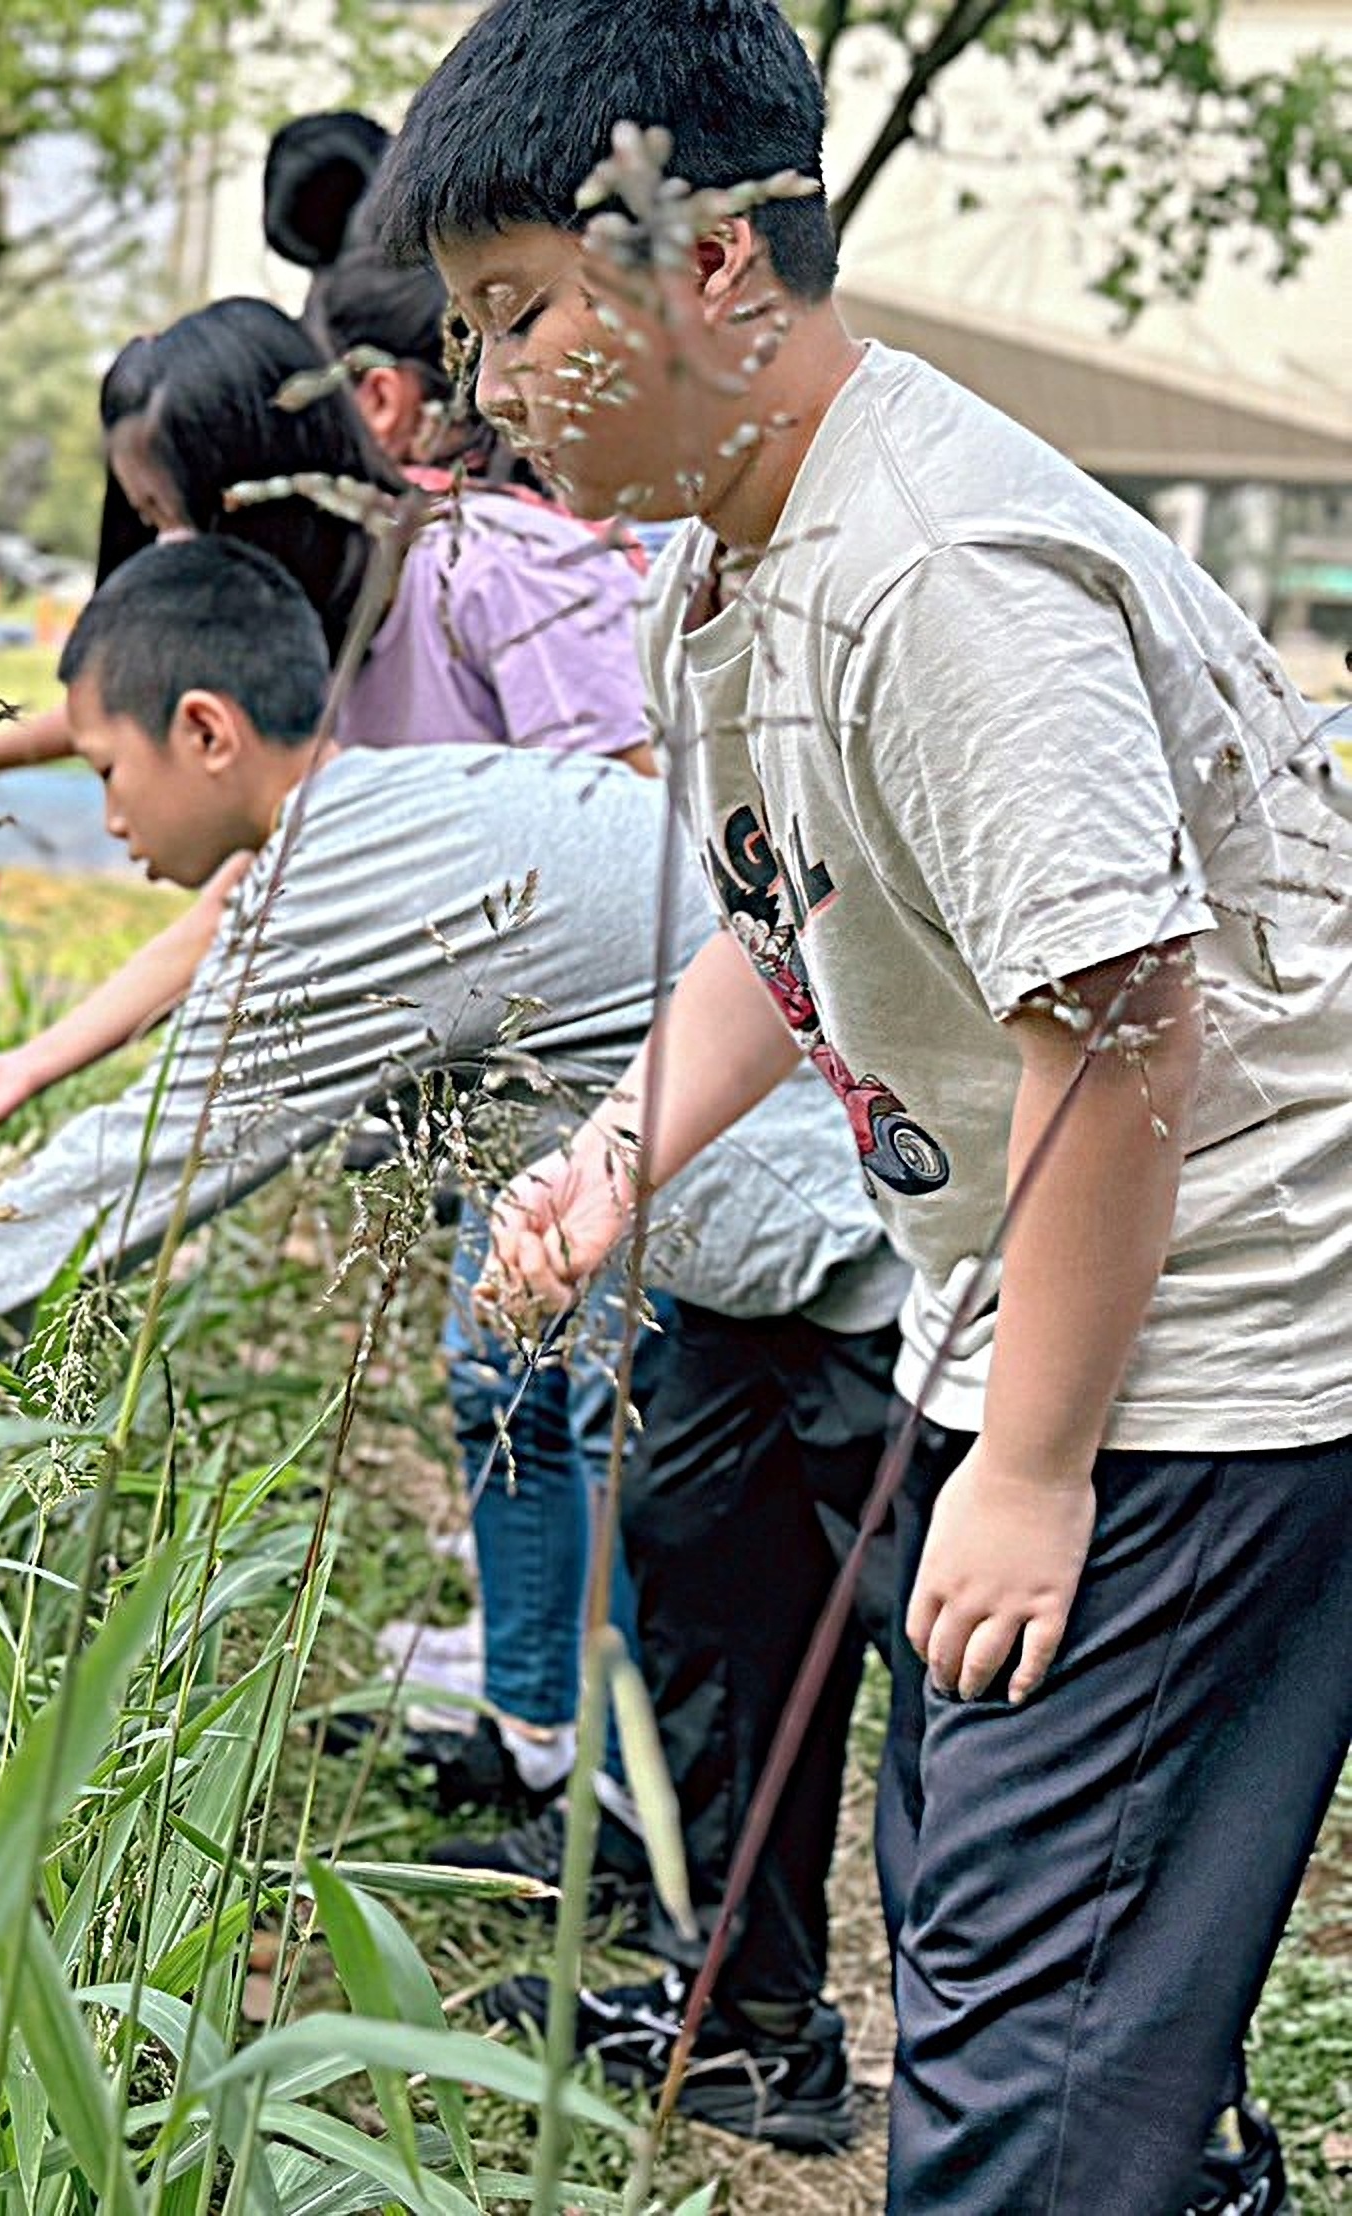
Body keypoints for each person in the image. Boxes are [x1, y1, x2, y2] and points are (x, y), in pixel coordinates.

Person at [370, 2, 1352, 2205]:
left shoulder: (936, 569)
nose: (484, 382)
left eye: (521, 310)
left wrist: (1030, 1464)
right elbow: (785, 912)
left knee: (1021, 2041)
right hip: (1025, 1307)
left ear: (717, 264)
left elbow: (1118, 1028)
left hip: (1211, 1336)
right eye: (464, 324)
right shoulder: (725, 556)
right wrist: (621, 1154)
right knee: (996, 1908)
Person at [0, 543, 904, 2141]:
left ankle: (1104, 2122)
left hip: (877, 1269)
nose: (108, 817)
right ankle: (752, 2034)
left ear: (204, 732)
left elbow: (151, 1155)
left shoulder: (352, 870)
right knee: (714, 1634)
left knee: (965, 1703)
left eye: (104, 771)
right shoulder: (373, 816)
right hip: (731, 1290)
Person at [0, 296, 661, 1815]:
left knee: (585, 1385)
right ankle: (539, 1705)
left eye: (179, 500)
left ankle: (588, 1742)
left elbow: (606, 831)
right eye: (142, 515)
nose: (167, 536)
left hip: (635, 1053)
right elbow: (267, 886)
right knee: (497, 1366)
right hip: (492, 1056)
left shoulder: (480, 577)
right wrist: (34, 1058)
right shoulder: (290, 650)